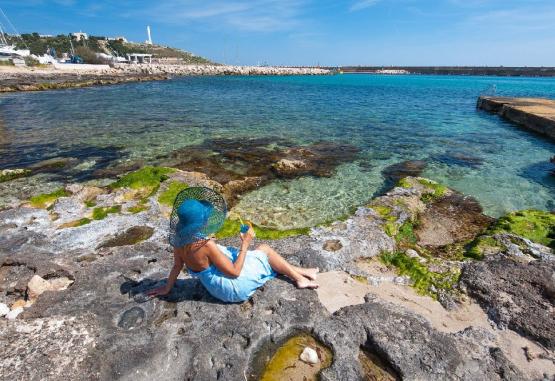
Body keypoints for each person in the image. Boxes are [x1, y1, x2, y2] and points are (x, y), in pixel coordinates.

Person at [148, 198, 319, 303]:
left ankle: (304, 272)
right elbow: (234, 273)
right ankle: (300, 279)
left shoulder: (179, 241)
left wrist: (167, 288)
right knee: (264, 250)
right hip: (232, 288)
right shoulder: (206, 245)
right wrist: (245, 243)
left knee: (260, 255)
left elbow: (177, 267)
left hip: (213, 287)